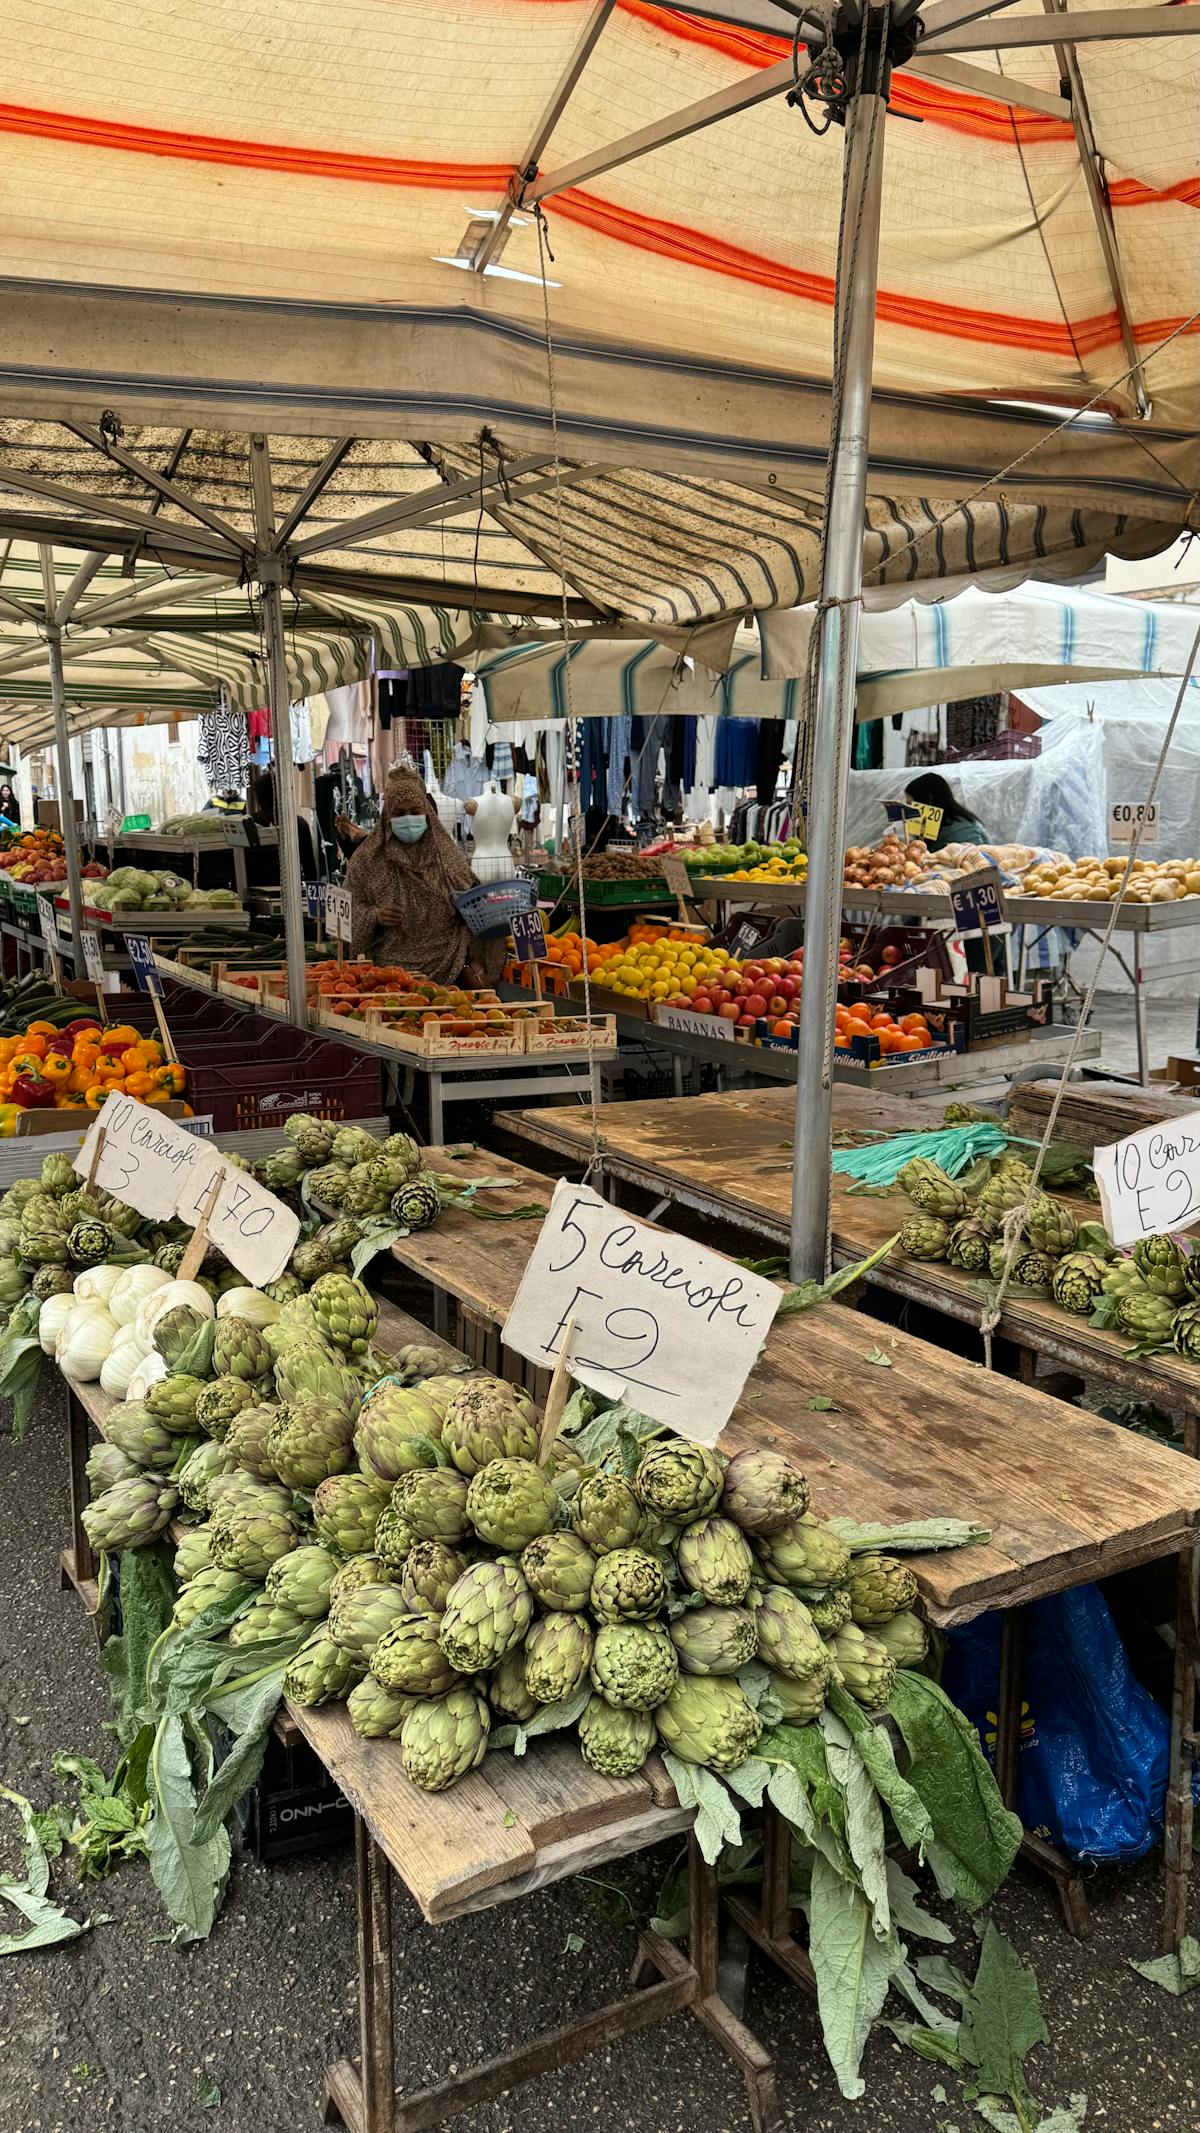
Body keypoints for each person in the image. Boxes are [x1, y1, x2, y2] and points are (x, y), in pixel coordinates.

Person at [345, 767, 499, 983]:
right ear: (387, 815)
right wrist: (375, 915)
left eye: (415, 811)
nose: (408, 819)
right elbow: (347, 912)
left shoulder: (446, 856)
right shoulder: (367, 861)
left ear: (427, 812)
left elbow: (474, 901)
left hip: (450, 967)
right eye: (399, 814)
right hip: (390, 978)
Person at [904, 772, 988, 851]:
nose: (908, 810)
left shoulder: (962, 831)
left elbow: (976, 861)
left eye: (910, 804)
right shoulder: (933, 829)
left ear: (929, 800)